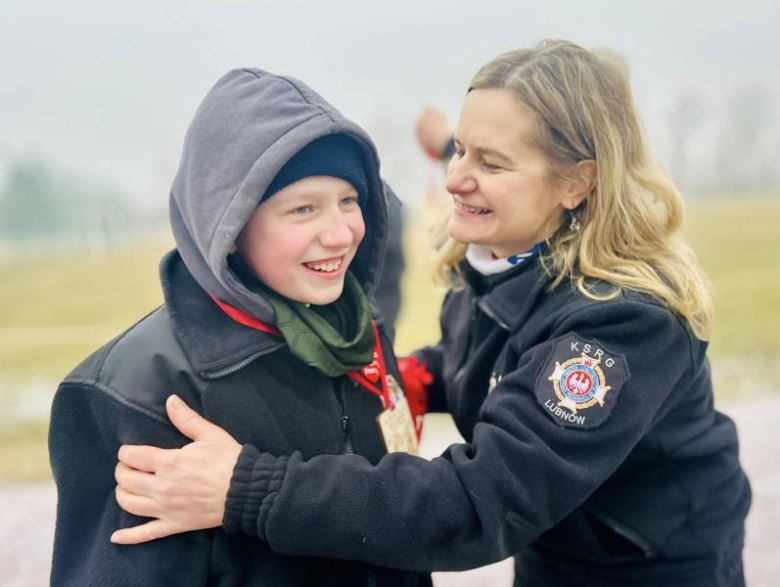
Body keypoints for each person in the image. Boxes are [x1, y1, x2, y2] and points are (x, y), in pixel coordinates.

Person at [112, 40, 751, 586]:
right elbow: (487, 359)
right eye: (460, 149)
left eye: (490, 162)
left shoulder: (623, 325)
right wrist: (402, 378)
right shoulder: (506, 255)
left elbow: (479, 502)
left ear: (577, 183)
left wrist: (247, 488)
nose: (455, 178)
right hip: (558, 546)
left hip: (648, 567)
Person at [48, 68, 430, 586]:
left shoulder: (360, 331)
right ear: (228, 226)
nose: (341, 233)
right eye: (303, 208)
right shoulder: (142, 389)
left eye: (349, 200)